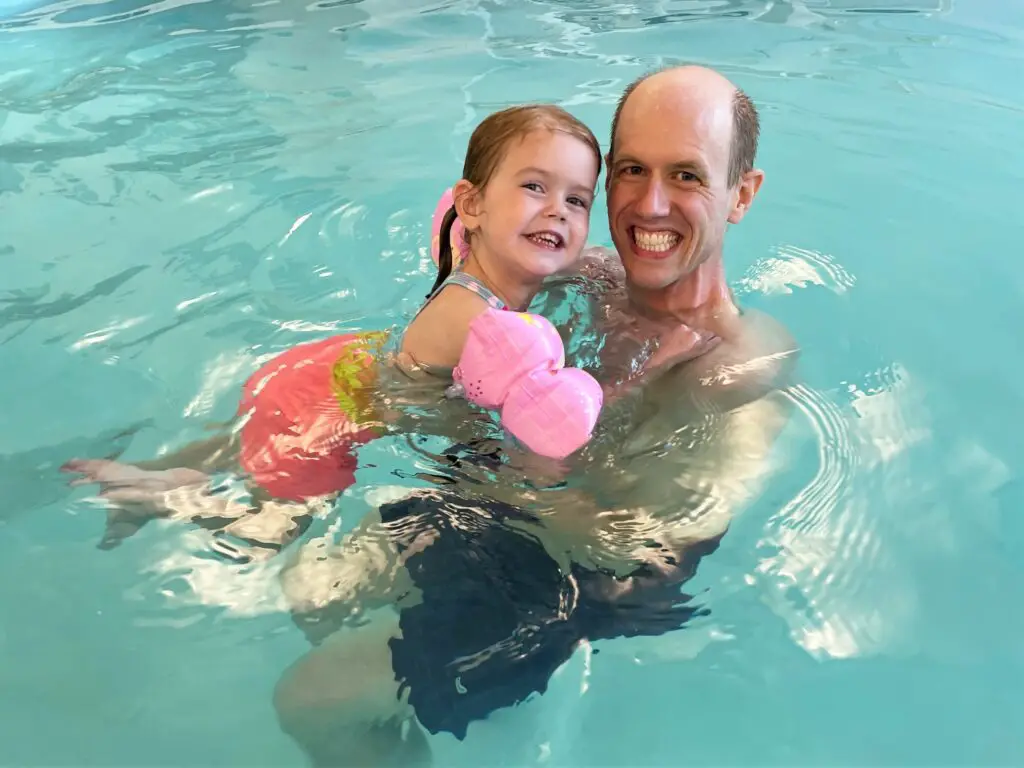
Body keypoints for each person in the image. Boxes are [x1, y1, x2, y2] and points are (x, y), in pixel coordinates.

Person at [271, 64, 800, 766]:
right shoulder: (590, 275)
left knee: (311, 699)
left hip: (557, 590)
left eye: (689, 176)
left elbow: (644, 556)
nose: (651, 204)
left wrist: (529, 478)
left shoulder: (736, 364)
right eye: (632, 170)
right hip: (481, 507)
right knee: (307, 599)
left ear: (743, 192)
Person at [60, 102, 645, 560]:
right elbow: (490, 423)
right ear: (472, 205)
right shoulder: (478, 318)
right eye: (535, 187)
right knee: (272, 526)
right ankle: (169, 498)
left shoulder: (485, 259)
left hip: (328, 368)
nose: (558, 212)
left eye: (576, 199)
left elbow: (581, 260)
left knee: (239, 447)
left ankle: (139, 476)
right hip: (331, 414)